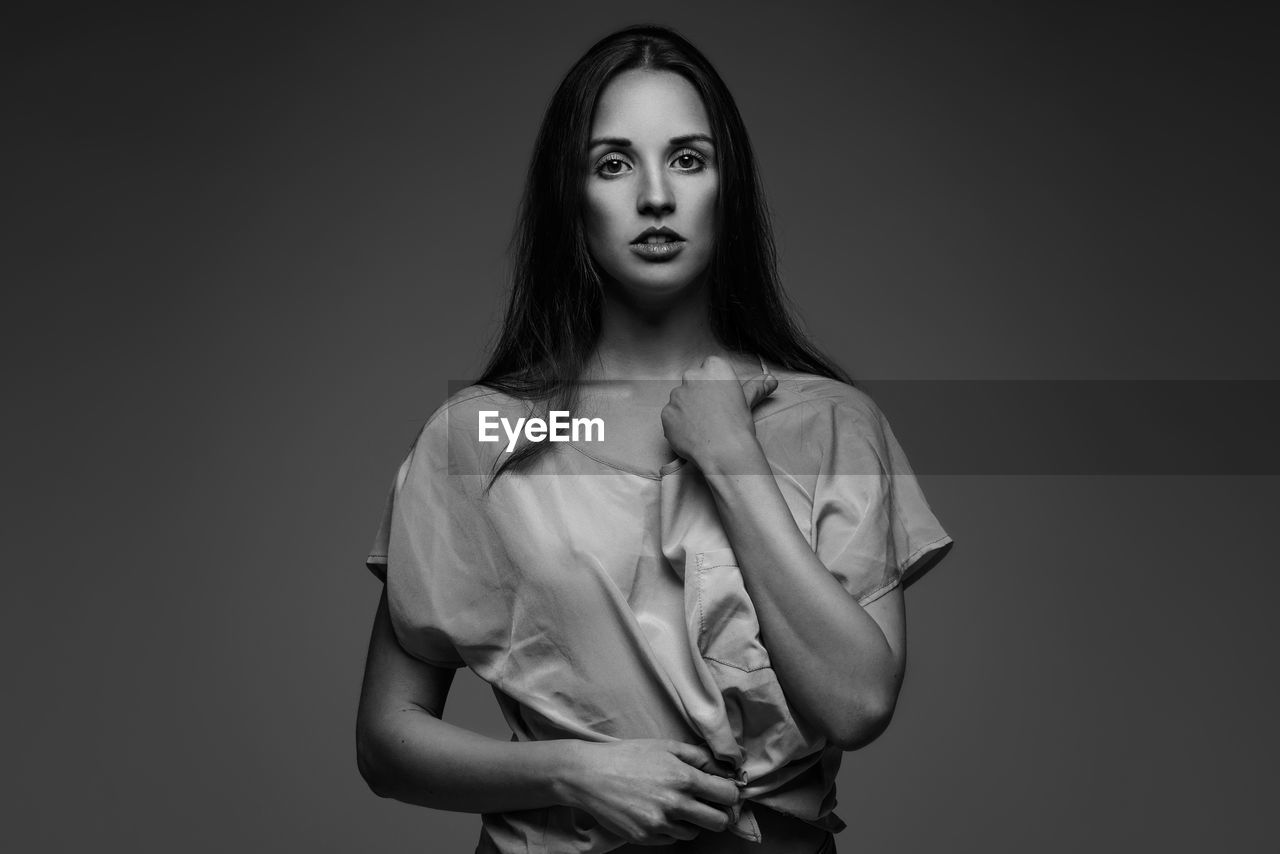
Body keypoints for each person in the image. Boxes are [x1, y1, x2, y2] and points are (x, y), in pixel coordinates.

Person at [355, 24, 954, 854]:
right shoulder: (487, 433)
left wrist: (732, 456)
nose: (655, 198)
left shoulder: (830, 422)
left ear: (726, 189)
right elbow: (386, 741)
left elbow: (856, 704)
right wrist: (575, 773)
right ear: (573, 197)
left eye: (687, 159)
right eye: (613, 163)